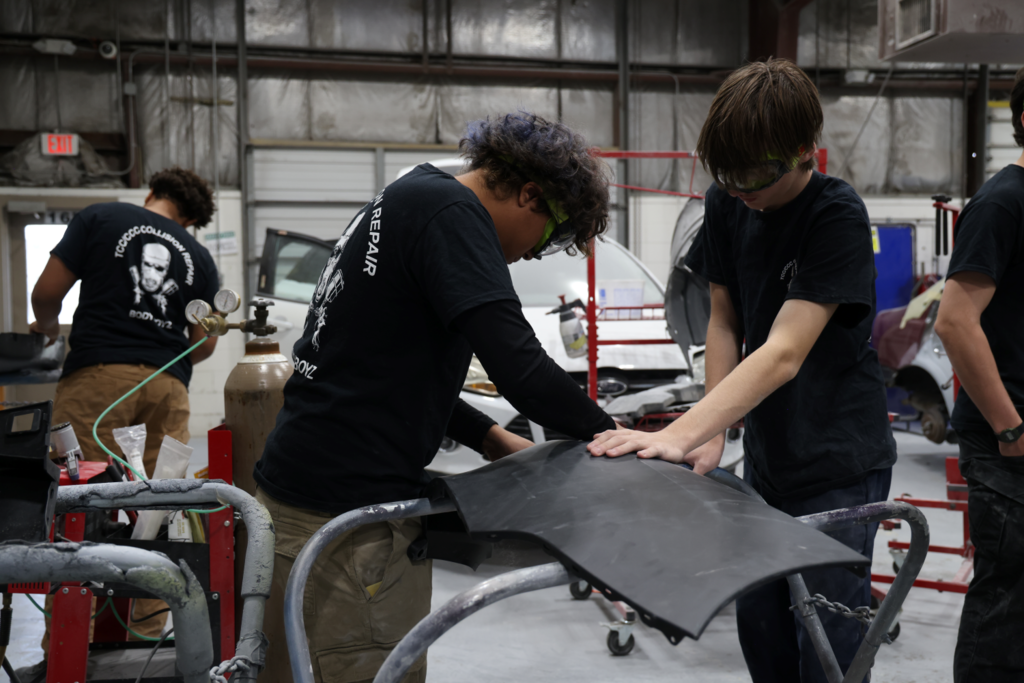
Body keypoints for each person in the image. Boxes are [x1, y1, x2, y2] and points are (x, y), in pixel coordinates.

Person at [253, 112, 617, 683]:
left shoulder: (411, 196)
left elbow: (386, 368)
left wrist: (491, 438)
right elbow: (520, 367)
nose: (527, 256)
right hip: (347, 533)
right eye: (547, 239)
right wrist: (615, 435)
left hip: (306, 503)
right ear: (528, 194)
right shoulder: (453, 216)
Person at [588, 59, 896, 682]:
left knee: (829, 647)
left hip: (839, 462)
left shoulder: (835, 215)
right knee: (763, 628)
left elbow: (783, 351)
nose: (738, 188)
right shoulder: (728, 205)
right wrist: (710, 431)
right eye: (725, 172)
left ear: (805, 152)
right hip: (769, 461)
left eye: (753, 172)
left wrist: (674, 433)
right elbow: (725, 322)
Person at [20, 166, 220, 682]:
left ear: (152, 193)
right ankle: (147, 653)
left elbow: (47, 292)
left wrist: (45, 326)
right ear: (192, 218)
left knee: (79, 510)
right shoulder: (198, 257)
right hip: (169, 388)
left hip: (99, 378)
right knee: (155, 519)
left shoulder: (101, 217)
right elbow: (207, 340)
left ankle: (69, 655)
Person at [934, 67, 1024, 683]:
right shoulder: (1002, 203)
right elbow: (955, 322)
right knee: (1008, 600)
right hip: (1008, 442)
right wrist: (1012, 431)